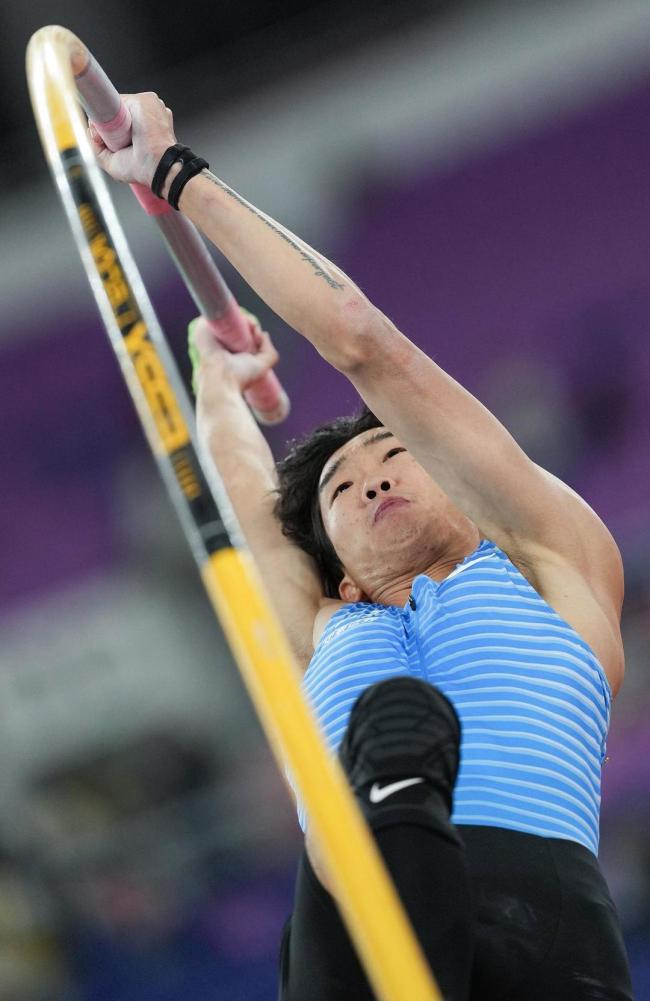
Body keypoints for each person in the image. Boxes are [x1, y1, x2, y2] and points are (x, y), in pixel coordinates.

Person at [91, 94, 635, 1000]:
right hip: (355, 908)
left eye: (393, 458)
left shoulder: (552, 559)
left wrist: (172, 175)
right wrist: (217, 374)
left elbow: (362, 343)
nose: (374, 481)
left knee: (401, 722)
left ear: (462, 488)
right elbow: (240, 490)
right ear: (338, 570)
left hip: (532, 919)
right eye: (342, 490)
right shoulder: (320, 627)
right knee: (382, 734)